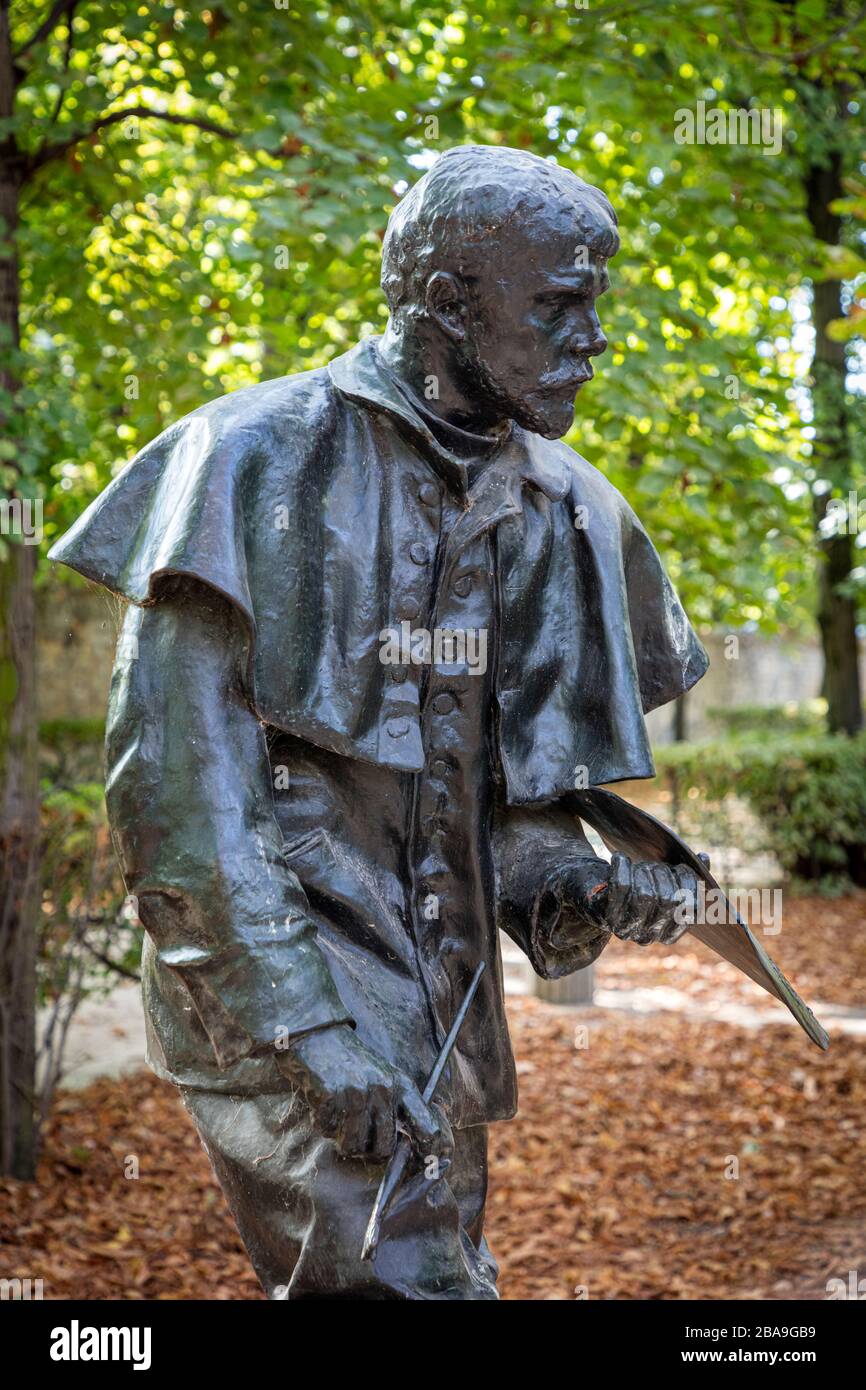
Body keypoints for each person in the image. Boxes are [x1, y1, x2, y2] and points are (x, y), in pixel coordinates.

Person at [49, 145, 708, 1300]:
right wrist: (307, 1032)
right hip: (270, 981)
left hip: (437, 998)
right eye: (556, 305)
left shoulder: (562, 508)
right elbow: (182, 799)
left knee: (444, 1267)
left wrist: (583, 889)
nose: (591, 340)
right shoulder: (246, 461)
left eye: (592, 304)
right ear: (446, 302)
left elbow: (503, 811)